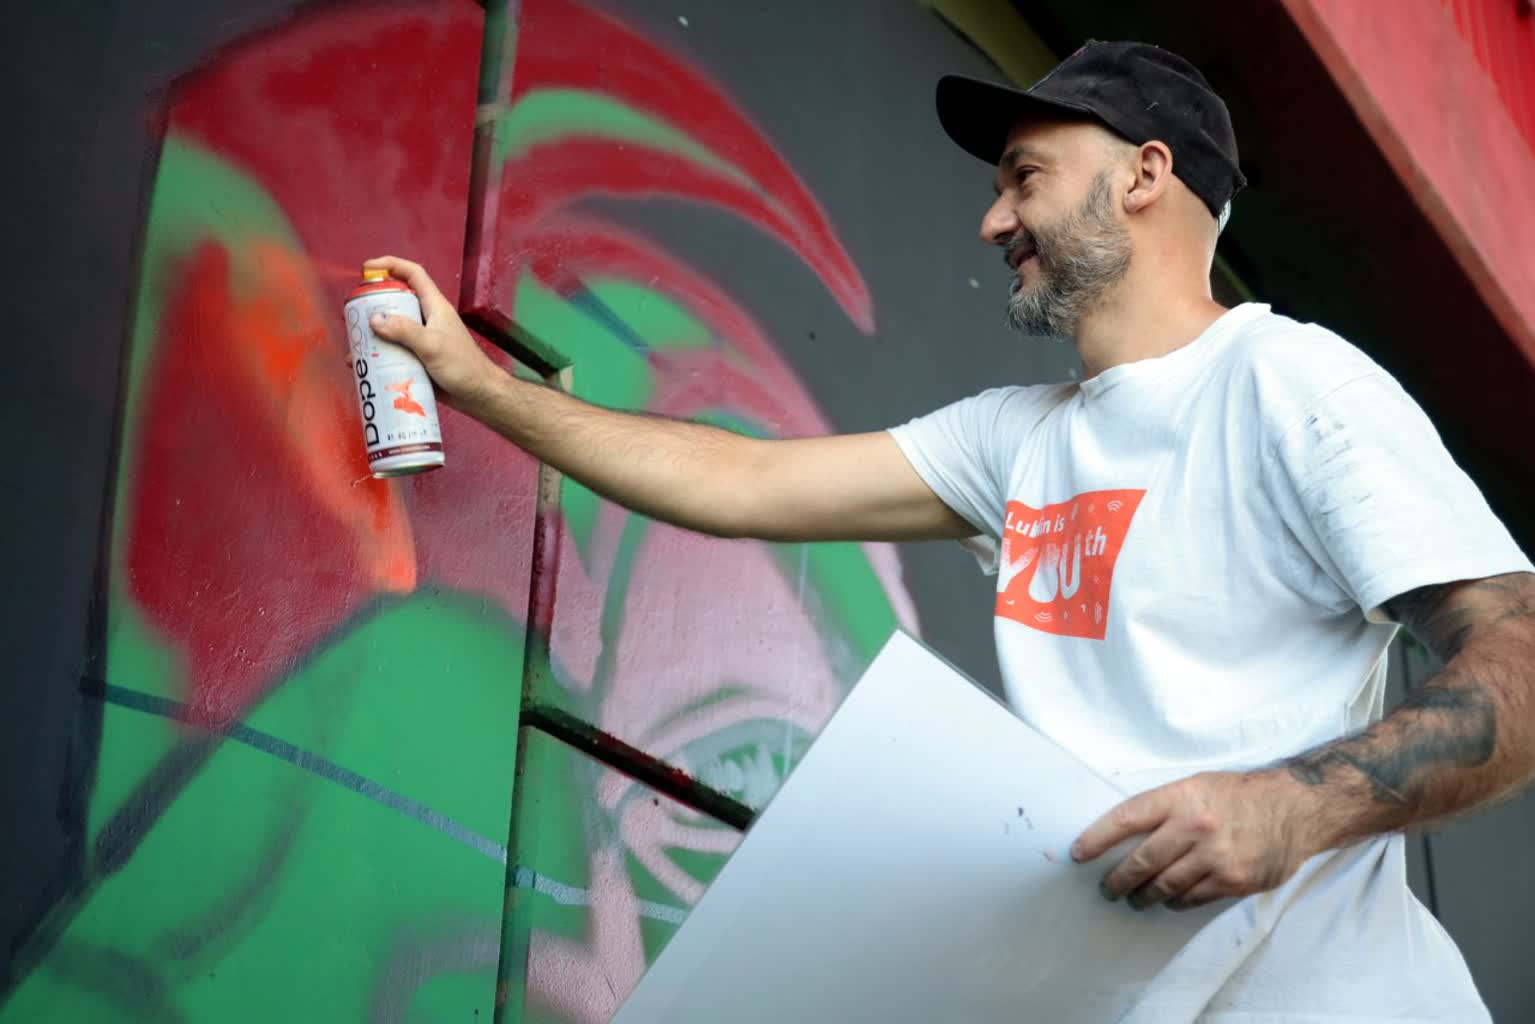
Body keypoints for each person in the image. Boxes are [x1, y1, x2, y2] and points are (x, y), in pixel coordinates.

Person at [366, 40, 1534, 1022]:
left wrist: (1293, 804)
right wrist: (483, 388)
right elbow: (742, 480)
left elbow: (1519, 653)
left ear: (1142, 174)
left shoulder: (1288, 383)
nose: (991, 220)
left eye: (1024, 177)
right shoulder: (1015, 439)